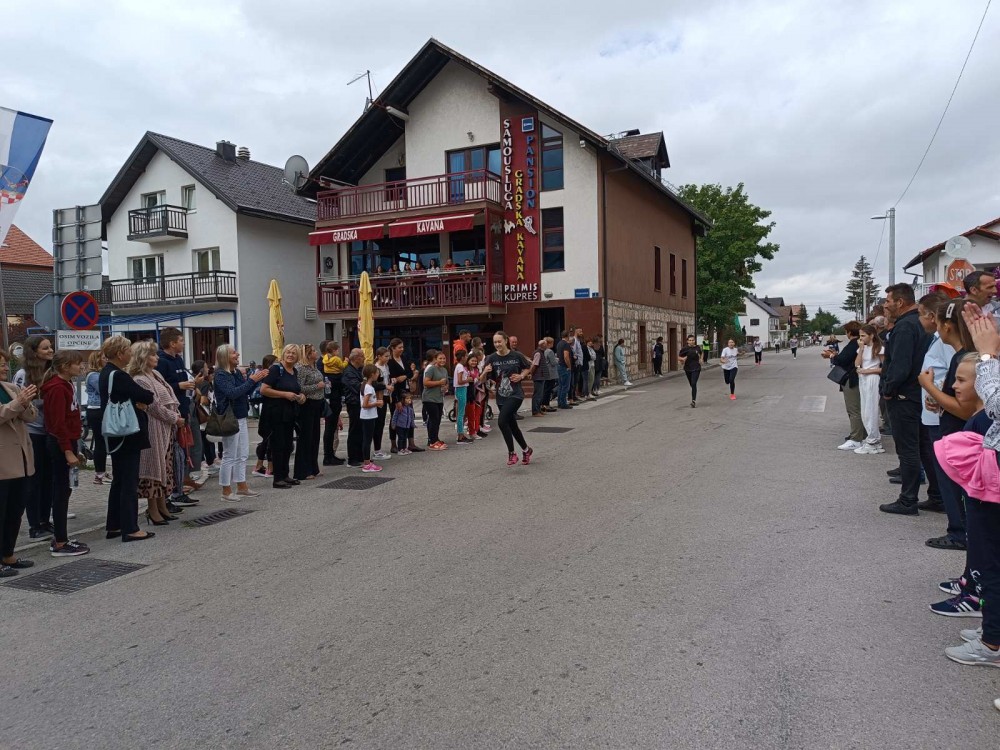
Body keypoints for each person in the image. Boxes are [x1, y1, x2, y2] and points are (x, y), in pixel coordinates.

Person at [917, 299, 978, 549]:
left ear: (947, 326)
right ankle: (962, 530)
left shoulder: (963, 358)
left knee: (954, 485)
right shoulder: (962, 355)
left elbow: (965, 409)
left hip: (956, 434)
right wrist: (940, 401)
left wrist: (929, 387)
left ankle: (959, 533)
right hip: (952, 428)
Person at [879, 283, 931, 516]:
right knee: (924, 447)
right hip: (919, 394)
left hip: (904, 396)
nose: (885, 304)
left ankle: (908, 500)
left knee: (908, 449)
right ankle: (937, 496)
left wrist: (888, 389)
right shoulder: (920, 323)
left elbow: (900, 365)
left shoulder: (904, 327)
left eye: (888, 301)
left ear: (900, 302)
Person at [100, 335, 156, 542]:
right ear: (119, 353)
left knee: (119, 480)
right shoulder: (119, 376)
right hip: (127, 433)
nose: (131, 353)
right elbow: (146, 395)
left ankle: (114, 524)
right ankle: (130, 528)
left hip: (115, 434)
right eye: (128, 350)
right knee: (129, 482)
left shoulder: (106, 373)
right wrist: (140, 401)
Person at [129, 340, 183, 525]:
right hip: (153, 428)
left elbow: (168, 397)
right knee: (154, 467)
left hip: (165, 428)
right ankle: (152, 509)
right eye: (152, 354)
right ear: (143, 357)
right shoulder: (140, 379)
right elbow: (154, 406)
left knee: (165, 467)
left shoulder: (156, 374)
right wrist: (174, 418)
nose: (156, 357)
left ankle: (162, 505)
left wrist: (175, 416)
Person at [41, 350, 88, 557]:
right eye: (77, 364)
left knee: (66, 490)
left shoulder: (67, 385)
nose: (81, 367)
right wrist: (68, 450)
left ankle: (62, 537)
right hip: (60, 444)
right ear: (65, 367)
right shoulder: (57, 388)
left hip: (70, 441)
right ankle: (60, 541)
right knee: (60, 491)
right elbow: (57, 424)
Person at [0, 348, 38, 577]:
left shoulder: (10, 388)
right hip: (2, 462)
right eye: (1, 364)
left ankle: (8, 554)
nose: (6, 368)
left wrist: (25, 403)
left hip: (21, 459)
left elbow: (31, 416)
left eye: (5, 364)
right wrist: (18, 404)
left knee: (15, 510)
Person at [912, 292, 951, 514]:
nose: (919, 319)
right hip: (933, 410)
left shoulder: (946, 341)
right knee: (936, 460)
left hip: (941, 410)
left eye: (920, 314)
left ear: (932, 316)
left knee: (944, 465)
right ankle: (940, 498)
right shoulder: (936, 338)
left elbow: (954, 372)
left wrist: (935, 391)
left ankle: (953, 515)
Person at [155, 328, 204, 503]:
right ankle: (173, 493)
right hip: (171, 413)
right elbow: (161, 387)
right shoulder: (162, 361)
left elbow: (181, 382)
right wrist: (180, 386)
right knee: (173, 454)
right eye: (181, 340)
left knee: (183, 451)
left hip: (183, 409)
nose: (183, 344)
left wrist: (192, 384)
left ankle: (180, 487)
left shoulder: (178, 359)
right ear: (172, 343)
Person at [214, 344, 267, 500]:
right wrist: (251, 381)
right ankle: (225, 490)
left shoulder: (235, 372)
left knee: (242, 454)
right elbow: (232, 393)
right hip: (230, 417)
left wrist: (256, 381)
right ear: (225, 357)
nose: (237, 355)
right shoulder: (221, 374)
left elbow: (244, 391)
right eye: (233, 353)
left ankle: (242, 486)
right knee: (229, 454)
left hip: (241, 415)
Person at [13, 335, 53, 539]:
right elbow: (19, 401)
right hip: (33, 431)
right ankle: (34, 524)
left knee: (48, 480)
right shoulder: (23, 374)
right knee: (35, 480)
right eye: (45, 348)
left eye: (50, 347)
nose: (50, 350)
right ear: (34, 351)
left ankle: (45, 520)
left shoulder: (52, 371)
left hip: (50, 432)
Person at [482, 331, 533, 466]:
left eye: (499, 341)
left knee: (502, 421)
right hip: (501, 396)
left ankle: (512, 453)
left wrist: (521, 376)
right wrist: (486, 374)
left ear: (506, 341)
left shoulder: (516, 355)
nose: (497, 344)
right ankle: (526, 450)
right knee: (512, 425)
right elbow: (484, 379)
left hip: (515, 394)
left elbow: (528, 367)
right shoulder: (491, 358)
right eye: (495, 342)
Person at [260, 345, 306, 488]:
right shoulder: (275, 369)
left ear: (297, 356)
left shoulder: (294, 371)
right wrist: (284, 395)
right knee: (278, 445)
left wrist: (301, 396)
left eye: (293, 353)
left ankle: (285, 475)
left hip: (289, 414)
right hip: (276, 414)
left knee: (287, 445)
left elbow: (295, 389)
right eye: (288, 352)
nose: (290, 355)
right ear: (283, 354)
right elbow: (264, 390)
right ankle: (277, 478)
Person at [823, 321, 866, 450]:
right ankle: (861, 434)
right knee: (858, 409)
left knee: (853, 410)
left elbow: (843, 360)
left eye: (846, 331)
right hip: (857, 378)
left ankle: (856, 438)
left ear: (849, 332)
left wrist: (831, 355)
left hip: (851, 379)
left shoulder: (854, 344)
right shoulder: (858, 343)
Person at [293, 343, 326, 481]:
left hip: (317, 403)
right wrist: (316, 386)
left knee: (315, 437)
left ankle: (313, 467)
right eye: (313, 351)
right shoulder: (301, 368)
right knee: (306, 437)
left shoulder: (315, 366)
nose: (316, 352)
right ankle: (303, 470)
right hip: (307, 404)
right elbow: (299, 387)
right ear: (307, 354)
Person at [854, 324, 884, 454]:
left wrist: (868, 371)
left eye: (863, 335)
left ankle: (873, 440)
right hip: (863, 379)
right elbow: (857, 364)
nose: (861, 338)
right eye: (860, 336)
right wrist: (861, 349)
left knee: (871, 410)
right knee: (865, 410)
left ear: (871, 335)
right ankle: (873, 439)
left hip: (872, 378)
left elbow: (885, 367)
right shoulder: (863, 348)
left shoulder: (879, 348)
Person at [85, 351, 110, 485]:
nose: (106, 360)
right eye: (103, 358)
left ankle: (102, 471)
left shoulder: (100, 374)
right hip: (96, 409)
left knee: (104, 442)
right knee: (100, 442)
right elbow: (104, 390)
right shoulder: (94, 376)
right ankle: (99, 473)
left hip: (101, 409)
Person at [252, 354, 277, 477]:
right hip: (269, 408)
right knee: (270, 438)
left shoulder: (263, 374)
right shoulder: (269, 375)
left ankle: (259, 465)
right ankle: (270, 468)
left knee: (266, 439)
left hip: (265, 408)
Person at [322, 341, 347, 466]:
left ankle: (330, 454)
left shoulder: (325, 361)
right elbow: (342, 367)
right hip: (333, 399)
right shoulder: (335, 361)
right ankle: (328, 456)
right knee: (330, 427)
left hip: (331, 398)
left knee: (331, 428)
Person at [341, 348, 366, 467]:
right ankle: (352, 458)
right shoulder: (349, 372)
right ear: (356, 358)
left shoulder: (359, 370)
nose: (364, 359)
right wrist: (365, 383)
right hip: (353, 403)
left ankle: (360, 455)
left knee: (361, 430)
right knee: (354, 430)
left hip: (360, 403)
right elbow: (357, 387)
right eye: (362, 356)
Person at [423, 349, 449, 450]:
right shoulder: (431, 369)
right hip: (429, 398)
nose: (442, 360)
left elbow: (446, 382)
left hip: (439, 398)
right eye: (440, 358)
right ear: (435, 359)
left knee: (437, 420)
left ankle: (435, 439)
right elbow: (426, 383)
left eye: (444, 358)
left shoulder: (444, 370)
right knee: (433, 419)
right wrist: (439, 383)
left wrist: (446, 387)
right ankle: (432, 442)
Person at [372, 347, 393, 459]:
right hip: (378, 397)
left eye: (388, 356)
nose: (388, 358)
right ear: (379, 356)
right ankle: (377, 450)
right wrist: (386, 386)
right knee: (378, 423)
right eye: (386, 356)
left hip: (386, 395)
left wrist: (390, 384)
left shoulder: (386, 366)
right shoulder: (376, 368)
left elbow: (387, 379)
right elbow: (374, 384)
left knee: (381, 422)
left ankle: (378, 448)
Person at [453, 349, 474, 441]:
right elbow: (460, 381)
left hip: (461, 389)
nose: (467, 358)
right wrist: (468, 380)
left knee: (461, 413)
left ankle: (460, 434)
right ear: (462, 357)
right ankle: (460, 436)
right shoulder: (460, 367)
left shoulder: (459, 366)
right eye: (466, 356)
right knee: (461, 413)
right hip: (461, 389)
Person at [466, 351, 486, 439]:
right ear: (468, 361)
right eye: (472, 361)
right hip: (466, 393)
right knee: (465, 414)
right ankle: (461, 434)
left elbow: (477, 381)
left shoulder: (476, 370)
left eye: (475, 361)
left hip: (474, 392)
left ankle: (472, 432)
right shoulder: (465, 370)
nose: (474, 362)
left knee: (472, 413)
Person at [678, 335, 702, 407]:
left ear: (694, 341)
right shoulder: (685, 349)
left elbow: (701, 353)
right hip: (688, 368)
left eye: (693, 340)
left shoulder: (697, 347)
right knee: (692, 384)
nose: (691, 342)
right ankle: (694, 391)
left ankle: (693, 401)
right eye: (690, 340)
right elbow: (679, 357)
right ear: (687, 341)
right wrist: (682, 359)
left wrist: (701, 359)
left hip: (696, 368)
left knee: (694, 383)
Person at [530, 340, 549, 417]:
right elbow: (534, 365)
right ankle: (535, 411)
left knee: (540, 394)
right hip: (538, 377)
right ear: (542, 345)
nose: (546, 346)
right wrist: (531, 373)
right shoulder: (538, 353)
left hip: (541, 376)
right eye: (546, 344)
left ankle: (538, 410)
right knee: (537, 394)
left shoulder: (541, 353)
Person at [556, 331, 575, 409]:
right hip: (565, 367)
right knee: (565, 386)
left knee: (560, 386)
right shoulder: (566, 344)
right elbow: (566, 356)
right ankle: (563, 403)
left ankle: (560, 402)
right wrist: (569, 366)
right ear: (568, 335)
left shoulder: (559, 344)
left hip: (559, 366)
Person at [543, 336, 560, 408]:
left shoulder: (544, 351)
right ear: (549, 343)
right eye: (552, 342)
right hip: (551, 372)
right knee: (548, 389)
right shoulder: (550, 351)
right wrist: (557, 360)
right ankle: (546, 404)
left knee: (546, 388)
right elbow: (553, 362)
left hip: (546, 372)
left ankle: (544, 404)